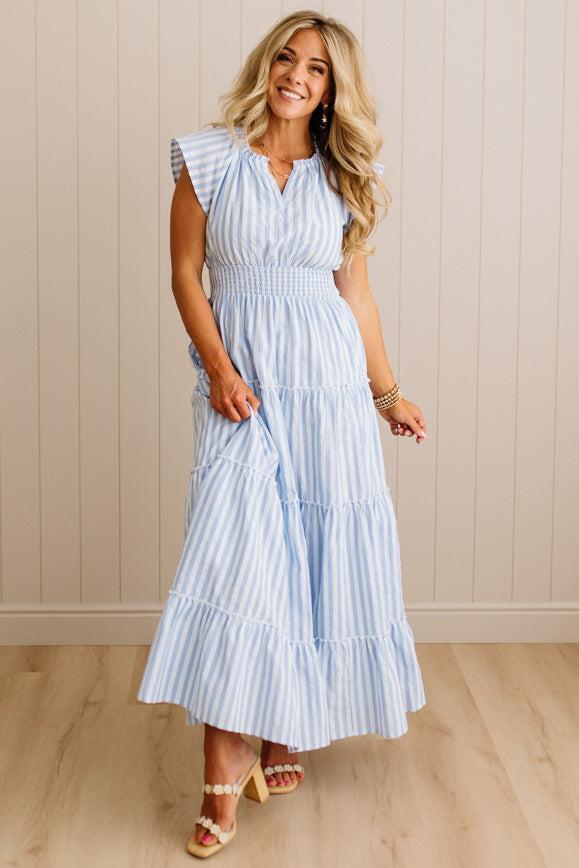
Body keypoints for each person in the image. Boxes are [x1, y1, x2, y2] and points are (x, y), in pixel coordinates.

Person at [137, 9, 427, 858]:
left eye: (318, 69)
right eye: (288, 58)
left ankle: (283, 730)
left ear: (335, 90)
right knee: (239, 564)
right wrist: (222, 370)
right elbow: (186, 272)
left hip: (329, 393)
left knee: (308, 557)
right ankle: (220, 786)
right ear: (268, 64)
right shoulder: (209, 158)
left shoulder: (340, 179)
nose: (298, 75)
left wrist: (386, 391)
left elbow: (356, 297)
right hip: (244, 391)